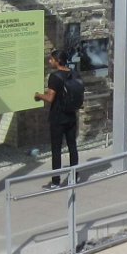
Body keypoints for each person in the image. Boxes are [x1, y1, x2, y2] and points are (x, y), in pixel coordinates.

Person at [33, 49, 80, 187]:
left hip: (58, 118)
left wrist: (38, 95)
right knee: (72, 146)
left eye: (51, 59)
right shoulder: (73, 73)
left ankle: (55, 182)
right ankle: (75, 176)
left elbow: (50, 98)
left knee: (56, 149)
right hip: (71, 115)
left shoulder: (55, 77)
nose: (49, 61)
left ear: (58, 61)